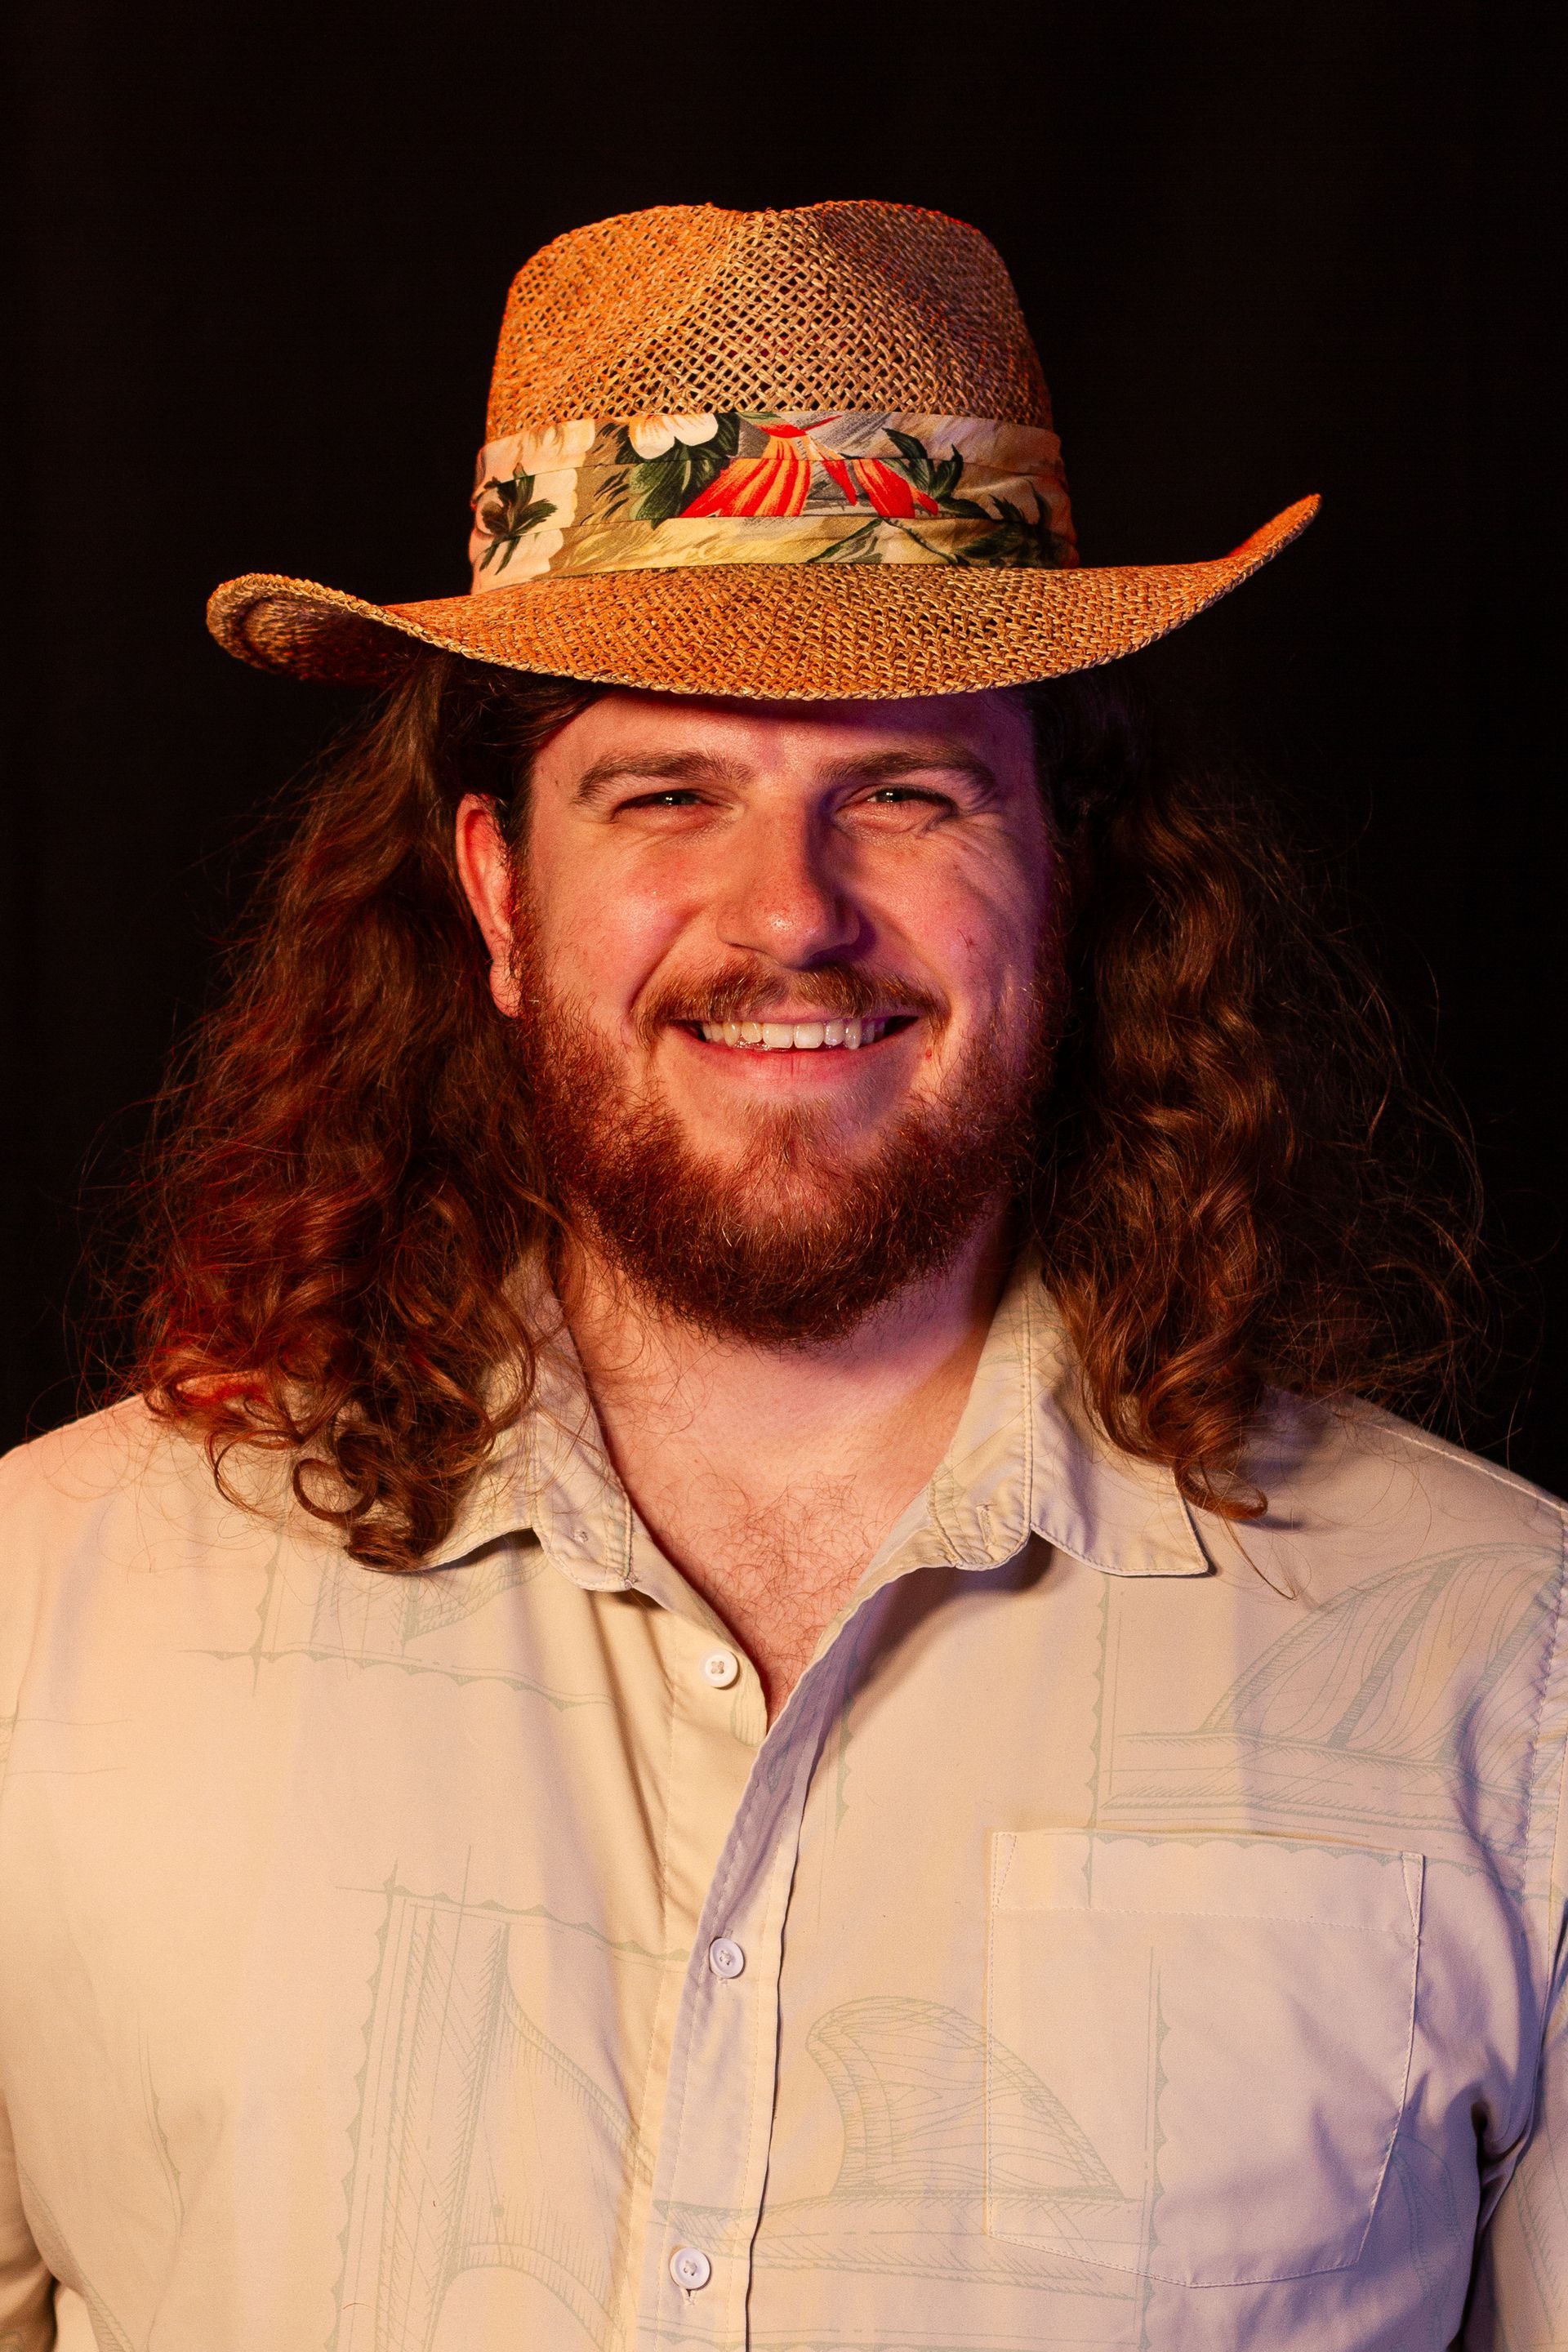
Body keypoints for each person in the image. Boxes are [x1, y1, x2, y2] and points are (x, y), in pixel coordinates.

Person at [0, 200, 1560, 2352]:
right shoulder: (42, 1623)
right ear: (496, 887)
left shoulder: (1505, 1679)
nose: (788, 913)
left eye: (908, 793)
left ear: (1066, 874)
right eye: (665, 789)